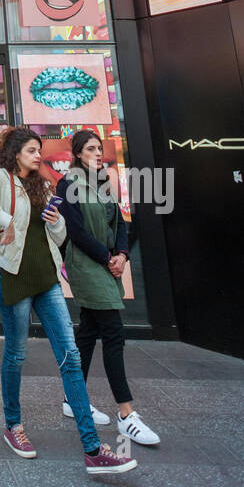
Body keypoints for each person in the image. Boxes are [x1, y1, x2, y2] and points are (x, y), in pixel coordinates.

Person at [0, 126, 137, 476]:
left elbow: (55, 236)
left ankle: (92, 448)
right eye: (30, 151)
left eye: (38, 150)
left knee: (70, 357)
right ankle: (14, 425)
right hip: (14, 276)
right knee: (16, 354)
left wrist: (56, 224)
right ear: (14, 153)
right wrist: (2, 218)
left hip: (47, 278)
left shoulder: (43, 184)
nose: (37, 156)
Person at [56, 130, 160, 445]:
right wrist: (107, 258)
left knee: (88, 333)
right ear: (76, 153)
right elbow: (75, 230)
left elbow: (120, 222)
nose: (98, 153)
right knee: (113, 332)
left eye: (100, 148)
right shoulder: (68, 183)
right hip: (88, 265)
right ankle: (126, 414)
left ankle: (72, 399)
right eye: (90, 148)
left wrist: (123, 254)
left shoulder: (102, 182)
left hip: (107, 264)